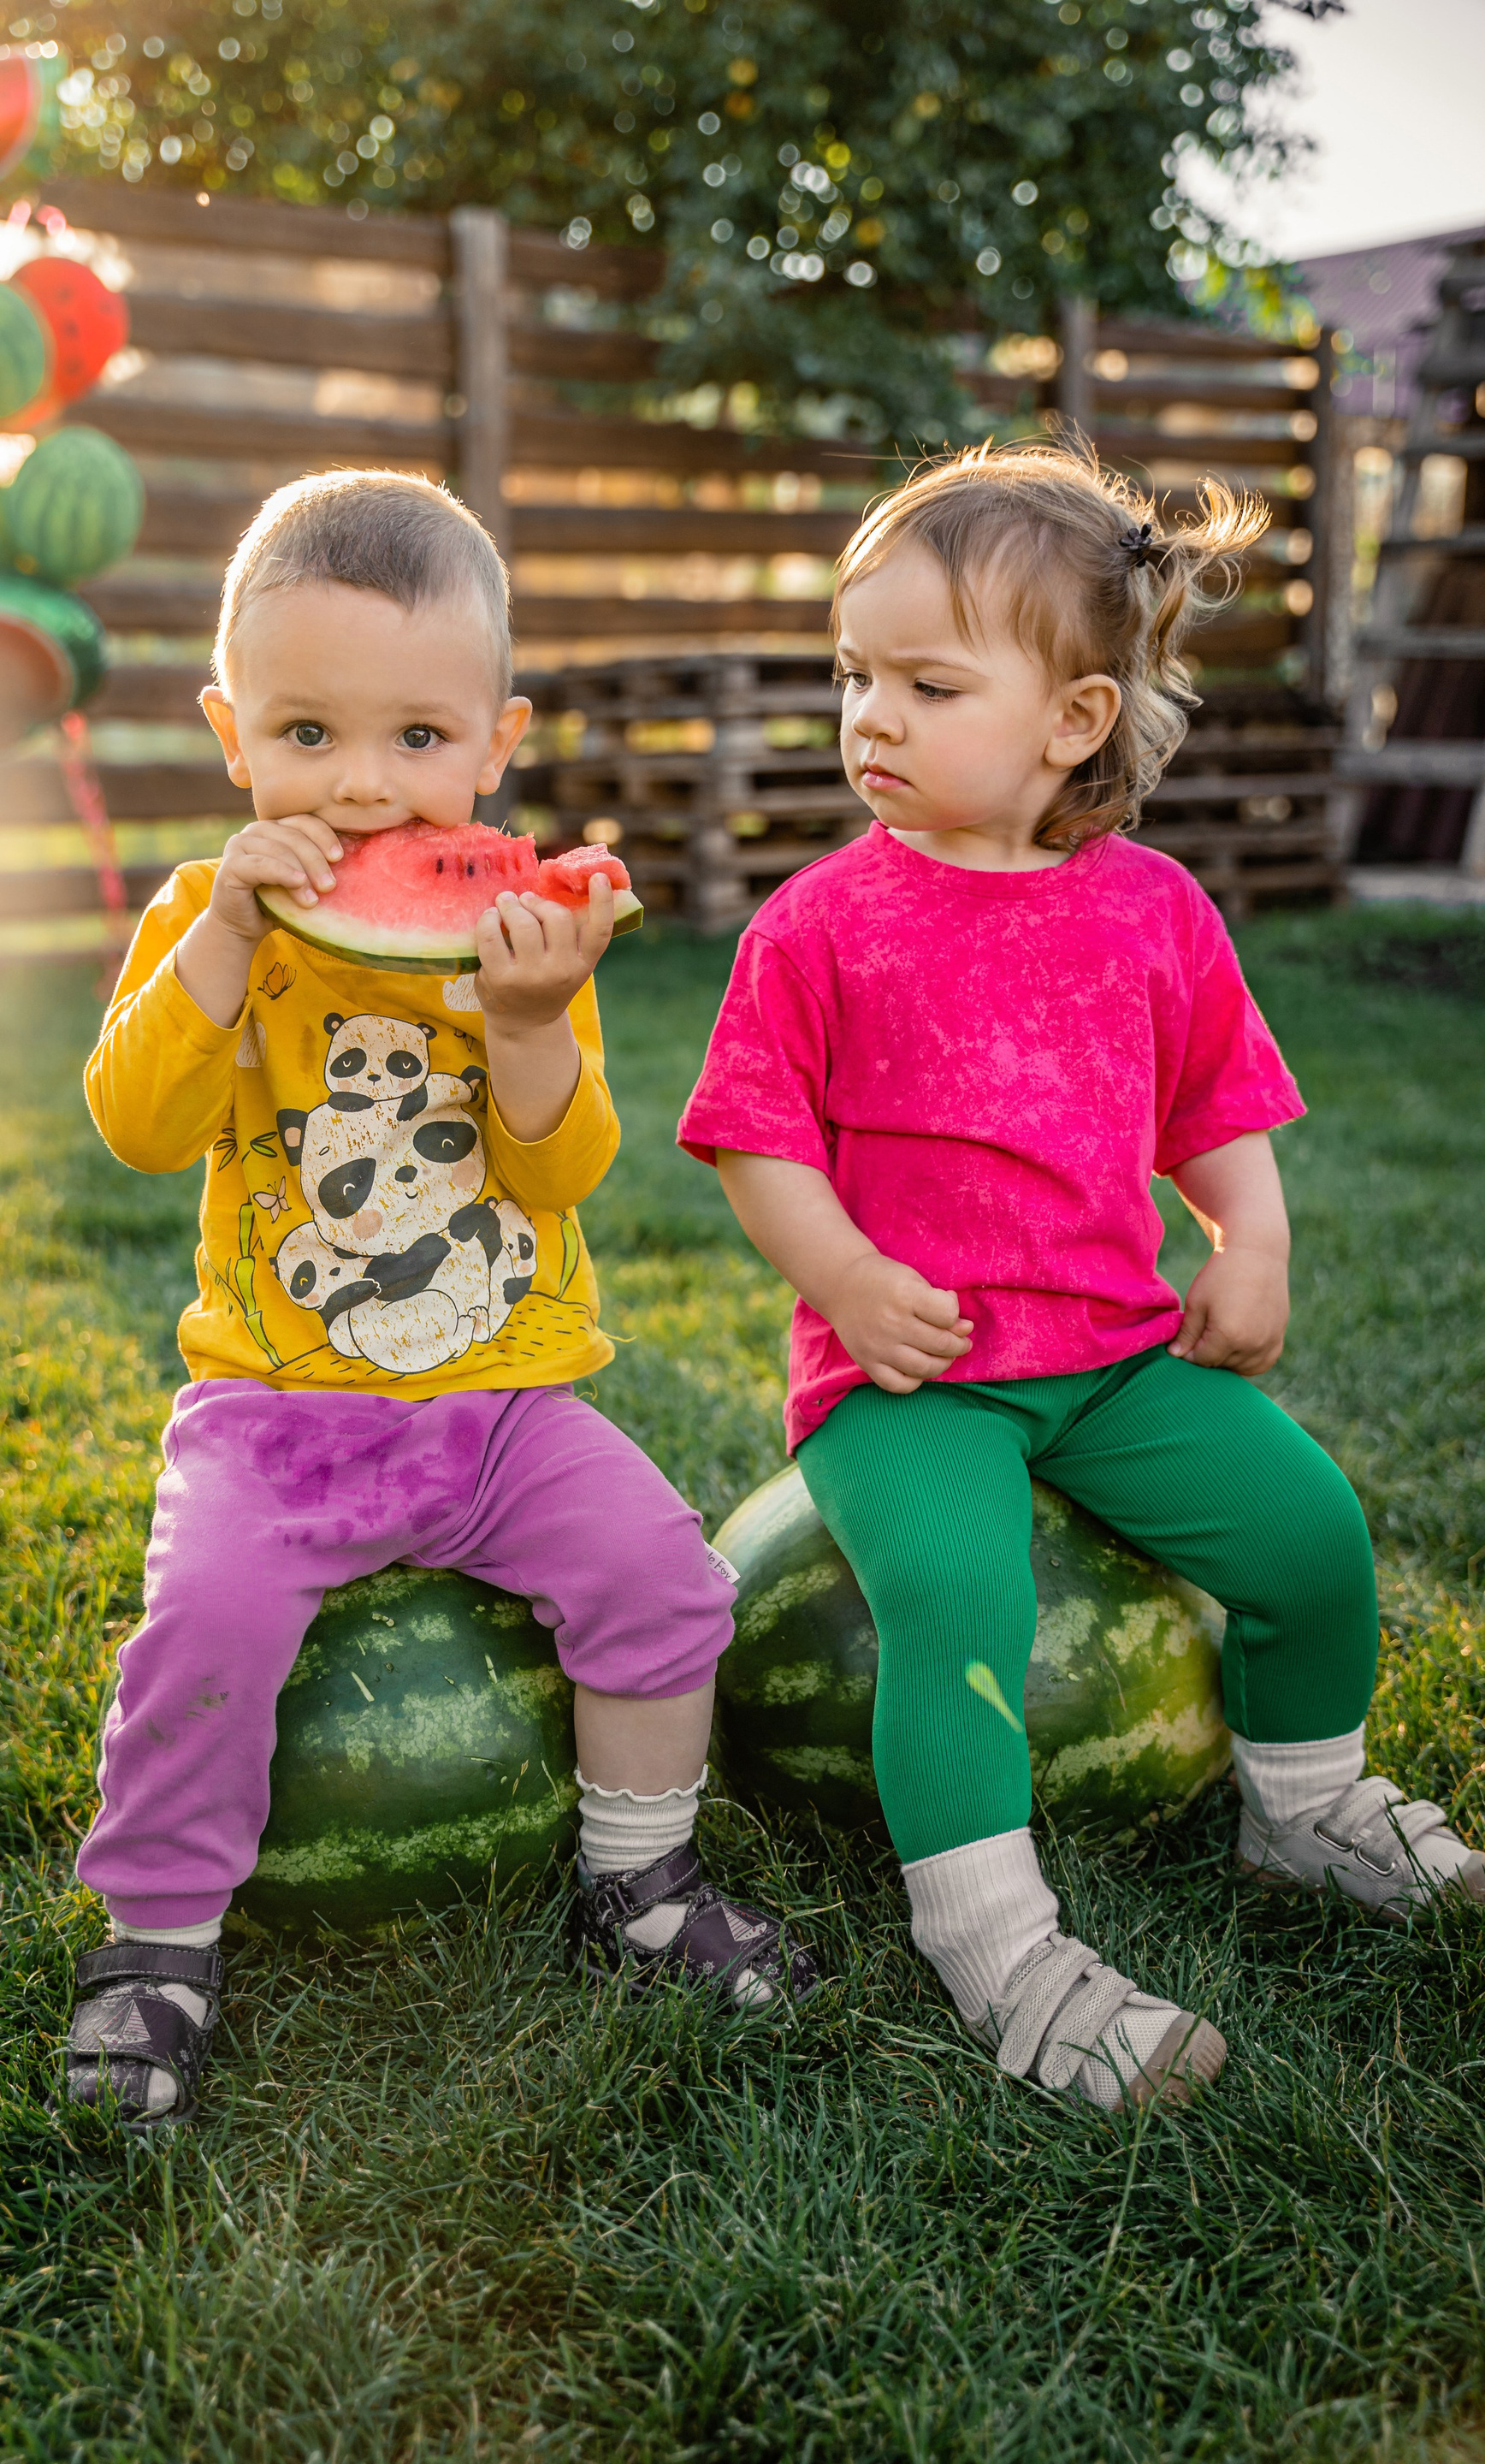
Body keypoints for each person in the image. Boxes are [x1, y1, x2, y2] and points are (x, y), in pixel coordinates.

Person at [678, 439, 1482, 2114]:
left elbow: (1215, 1106)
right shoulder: (819, 924)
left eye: (927, 685)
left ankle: (1305, 1808)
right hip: (911, 1380)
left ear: (1074, 721)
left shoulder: (1154, 913)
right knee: (959, 1604)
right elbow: (757, 1141)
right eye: (854, 676)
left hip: (1113, 1361)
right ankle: (996, 1945)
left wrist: (1252, 1242)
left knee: (1312, 1535)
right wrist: (849, 1277)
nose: (871, 717)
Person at [66, 470, 816, 2129]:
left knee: (667, 1581)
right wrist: (220, 945)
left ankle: (640, 1882)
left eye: (417, 738)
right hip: (275, 1416)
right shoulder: (205, 917)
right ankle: (157, 1942)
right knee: (199, 1633)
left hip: (501, 1411)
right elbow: (137, 1125)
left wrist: (532, 1023)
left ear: (497, 744)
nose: (362, 785)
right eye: (307, 733)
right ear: (230, 734)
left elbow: (564, 1171)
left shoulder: (526, 928)